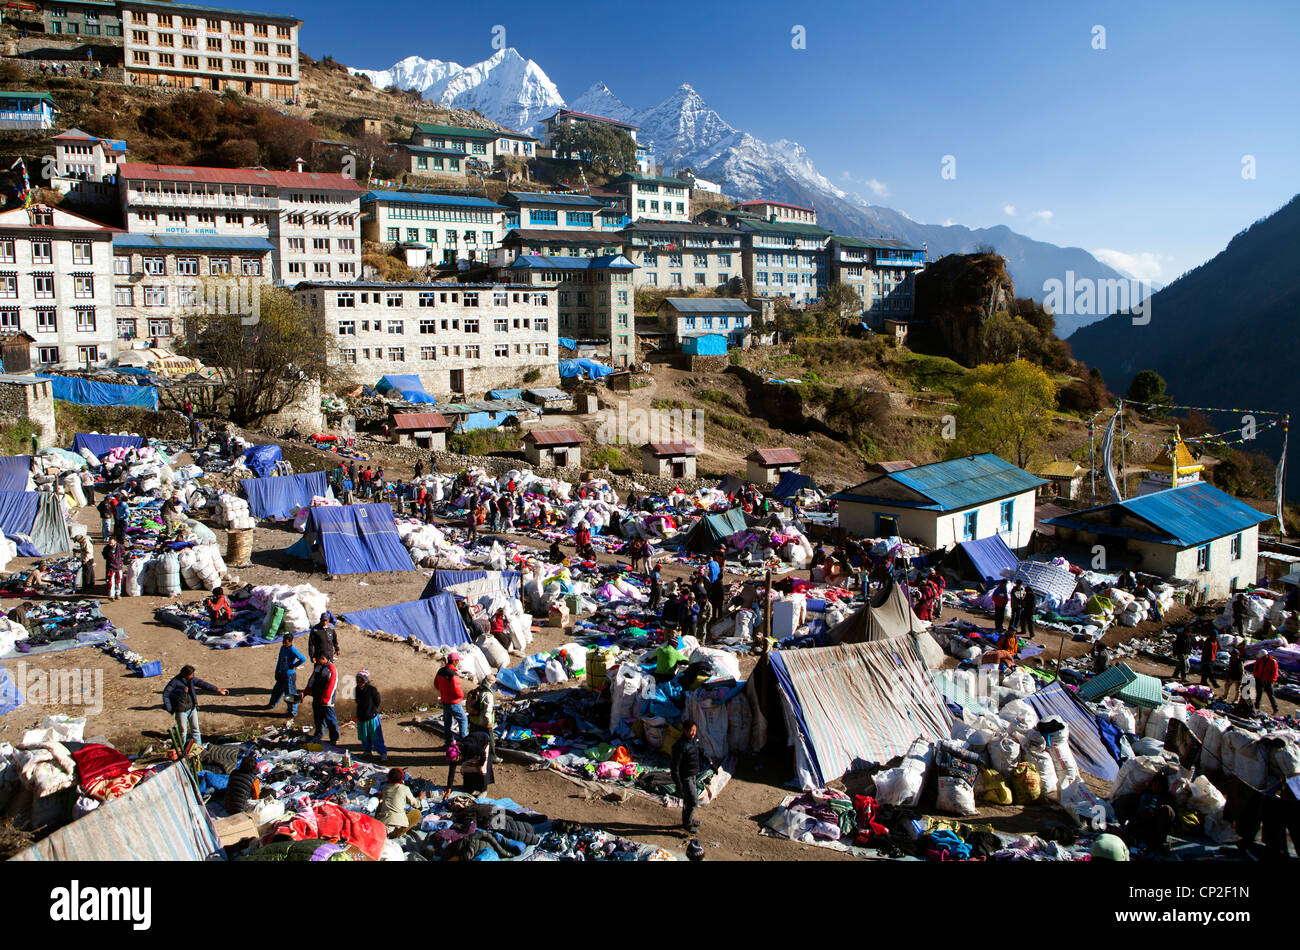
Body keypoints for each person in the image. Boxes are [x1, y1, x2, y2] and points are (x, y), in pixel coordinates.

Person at [161, 665, 228, 748]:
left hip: (192, 708)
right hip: (181, 711)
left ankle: (198, 748)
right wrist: (170, 709)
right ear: (186, 674)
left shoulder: (191, 679)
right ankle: (182, 749)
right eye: (191, 675)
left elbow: (203, 684)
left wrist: (218, 689)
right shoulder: (174, 682)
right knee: (183, 732)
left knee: (196, 730)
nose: (192, 676)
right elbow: (166, 694)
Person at [670, 720, 707, 832]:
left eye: (695, 730)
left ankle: (688, 821)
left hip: (693, 775)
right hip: (685, 777)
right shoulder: (681, 746)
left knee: (688, 800)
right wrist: (678, 783)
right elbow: (675, 767)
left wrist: (711, 764)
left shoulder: (693, 742)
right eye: (691, 731)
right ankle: (687, 824)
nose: (693, 733)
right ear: (685, 731)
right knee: (693, 801)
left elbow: (701, 753)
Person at [376, 768, 425, 837]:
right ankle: (396, 832)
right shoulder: (404, 788)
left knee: (382, 804)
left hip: (381, 826)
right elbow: (416, 804)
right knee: (417, 814)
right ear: (402, 779)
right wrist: (420, 798)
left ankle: (377, 821)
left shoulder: (385, 789)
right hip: (396, 830)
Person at [267, 633, 306, 716]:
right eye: (283, 642)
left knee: (290, 694)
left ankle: (292, 712)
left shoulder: (292, 650)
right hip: (282, 674)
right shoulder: (282, 648)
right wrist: (277, 671)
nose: (284, 644)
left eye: (286, 642)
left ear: (291, 642)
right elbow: (280, 660)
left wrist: (294, 665)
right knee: (277, 690)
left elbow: (303, 658)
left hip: (289, 676)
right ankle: (272, 704)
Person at [305, 655, 340, 744]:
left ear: (324, 659)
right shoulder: (318, 667)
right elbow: (312, 680)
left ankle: (334, 738)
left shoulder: (331, 669)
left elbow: (332, 686)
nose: (317, 661)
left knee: (330, 718)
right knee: (318, 717)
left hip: (327, 700)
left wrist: (325, 699)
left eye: (318, 659)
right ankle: (319, 734)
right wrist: (305, 692)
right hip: (317, 696)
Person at [354, 670, 387, 761]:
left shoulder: (372, 690)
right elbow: (357, 700)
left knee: (376, 736)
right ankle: (367, 751)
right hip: (361, 717)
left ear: (364, 680)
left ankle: (382, 753)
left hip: (371, 717)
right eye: (357, 679)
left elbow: (377, 701)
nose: (358, 681)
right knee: (364, 736)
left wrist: (371, 710)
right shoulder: (357, 689)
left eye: (360, 680)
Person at [436, 653, 468, 743]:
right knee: (463, 720)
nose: (458, 662)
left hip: (445, 701)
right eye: (457, 661)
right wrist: (461, 697)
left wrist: (444, 691)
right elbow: (458, 691)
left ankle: (449, 743)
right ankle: (464, 743)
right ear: (454, 661)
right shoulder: (453, 675)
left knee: (447, 722)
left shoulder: (440, 671)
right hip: (454, 702)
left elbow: (436, 684)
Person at [467, 674, 499, 764]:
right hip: (483, 721)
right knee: (490, 739)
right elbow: (487, 710)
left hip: (474, 719)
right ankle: (493, 756)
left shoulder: (476, 690)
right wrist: (488, 722)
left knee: (473, 738)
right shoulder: (487, 694)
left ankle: (470, 754)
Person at [1252, 650, 1280, 714]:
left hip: (1267, 680)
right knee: (1259, 693)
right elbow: (1256, 668)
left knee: (1270, 695)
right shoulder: (1259, 659)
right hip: (1259, 678)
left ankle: (1275, 709)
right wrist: (1255, 676)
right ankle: (1257, 706)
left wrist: (1272, 680)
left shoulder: (1272, 661)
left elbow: (1275, 672)